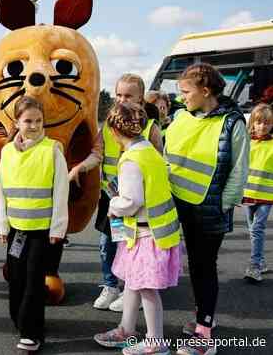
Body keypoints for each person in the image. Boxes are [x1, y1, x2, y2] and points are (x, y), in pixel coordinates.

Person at [164, 63, 248, 355]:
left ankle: (204, 334)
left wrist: (221, 206)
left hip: (209, 209)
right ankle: (200, 319)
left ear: (206, 90)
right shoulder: (181, 117)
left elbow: (238, 173)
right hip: (179, 204)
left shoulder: (233, 123)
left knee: (204, 268)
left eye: (186, 92)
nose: (181, 97)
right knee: (190, 266)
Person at [68, 74, 163, 313]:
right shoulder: (108, 126)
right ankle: (110, 285)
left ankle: (132, 290)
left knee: (132, 248)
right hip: (112, 201)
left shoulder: (151, 129)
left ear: (141, 99)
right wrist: (80, 167)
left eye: (128, 95)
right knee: (108, 244)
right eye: (118, 95)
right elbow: (97, 155)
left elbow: (159, 164)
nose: (122, 99)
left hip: (138, 204)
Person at [93, 102, 180, 355]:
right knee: (134, 282)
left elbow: (132, 202)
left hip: (145, 234)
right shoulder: (151, 152)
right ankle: (126, 329)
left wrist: (114, 205)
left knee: (146, 288)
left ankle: (155, 342)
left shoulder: (131, 160)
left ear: (113, 131)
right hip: (157, 232)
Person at [0, 96, 69, 352]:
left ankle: (32, 331)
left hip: (42, 230)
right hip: (16, 229)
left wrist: (58, 228)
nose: (34, 125)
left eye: (38, 120)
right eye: (28, 120)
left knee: (34, 281)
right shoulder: (6, 151)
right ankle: (21, 320)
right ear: (17, 122)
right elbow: (1, 191)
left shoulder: (52, 150)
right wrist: (1, 226)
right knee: (16, 278)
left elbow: (61, 192)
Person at [241, 103, 273, 282]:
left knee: (257, 229)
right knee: (253, 229)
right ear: (252, 123)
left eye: (267, 123)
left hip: (266, 197)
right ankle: (260, 261)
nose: (263, 126)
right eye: (259, 122)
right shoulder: (247, 143)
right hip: (248, 194)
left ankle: (254, 266)